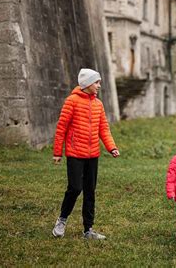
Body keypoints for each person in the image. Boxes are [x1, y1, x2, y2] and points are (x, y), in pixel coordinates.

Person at [51, 68, 120, 240]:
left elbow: (103, 128)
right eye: (96, 82)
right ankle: (62, 220)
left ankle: (88, 229)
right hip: (75, 154)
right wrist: (58, 152)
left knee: (90, 191)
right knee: (75, 188)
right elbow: (61, 128)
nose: (99, 86)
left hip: (93, 155)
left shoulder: (98, 104)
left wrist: (111, 147)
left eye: (99, 82)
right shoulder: (71, 101)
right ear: (87, 84)